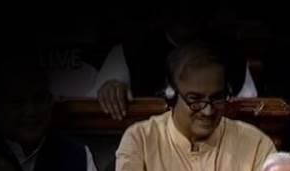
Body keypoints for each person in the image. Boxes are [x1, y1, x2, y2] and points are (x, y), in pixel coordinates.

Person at [110, 41, 275, 171]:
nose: (208, 111)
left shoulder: (256, 144)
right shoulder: (140, 138)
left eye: (217, 98)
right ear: (171, 95)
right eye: (195, 99)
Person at [0, 54, 124, 171]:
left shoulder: (77, 154)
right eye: (17, 102)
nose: (30, 111)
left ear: (50, 101)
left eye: (38, 100)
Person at [93, 7, 257, 121]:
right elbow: (92, 107)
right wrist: (110, 90)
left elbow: (251, 110)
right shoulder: (131, 49)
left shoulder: (230, 52)